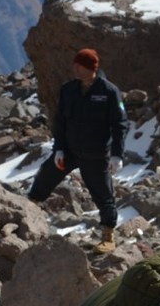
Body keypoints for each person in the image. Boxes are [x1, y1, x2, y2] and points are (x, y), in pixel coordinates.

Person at [28, 48, 126, 250]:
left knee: (103, 193)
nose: (75, 69)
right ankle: (27, 211)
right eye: (75, 65)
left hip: (95, 154)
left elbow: (119, 124)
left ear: (92, 68)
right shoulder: (68, 89)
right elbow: (60, 122)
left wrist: (117, 155)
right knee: (45, 176)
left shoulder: (109, 91)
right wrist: (59, 149)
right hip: (70, 151)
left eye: (80, 66)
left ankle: (108, 236)